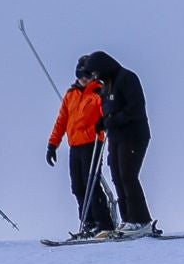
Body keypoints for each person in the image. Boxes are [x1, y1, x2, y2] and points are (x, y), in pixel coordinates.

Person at [82, 50, 156, 237]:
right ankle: (128, 219)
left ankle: (141, 220)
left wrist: (115, 120)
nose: (95, 77)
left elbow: (135, 108)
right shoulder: (106, 85)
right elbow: (109, 109)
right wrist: (104, 121)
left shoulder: (126, 78)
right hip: (116, 137)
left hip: (134, 135)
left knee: (128, 176)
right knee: (116, 175)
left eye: (96, 72)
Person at [47, 57, 117, 238]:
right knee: (77, 185)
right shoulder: (71, 95)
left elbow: (106, 111)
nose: (83, 79)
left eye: (87, 75)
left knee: (90, 183)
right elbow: (62, 120)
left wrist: (104, 121)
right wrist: (53, 144)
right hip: (75, 144)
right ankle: (89, 222)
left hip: (92, 142)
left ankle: (104, 224)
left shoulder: (98, 92)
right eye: (80, 75)